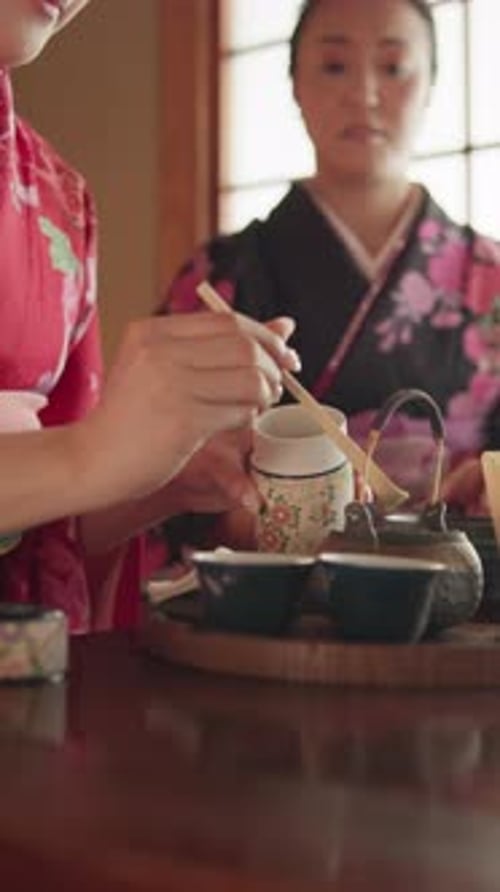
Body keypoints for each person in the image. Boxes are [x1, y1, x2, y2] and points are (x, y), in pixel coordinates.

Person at [0, 0, 301, 632]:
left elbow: (54, 518)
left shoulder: (60, 199)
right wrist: (91, 454)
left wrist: (159, 475)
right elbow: (76, 459)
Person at [164, 0, 500, 535]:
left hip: (459, 586)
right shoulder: (223, 276)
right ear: (295, 84)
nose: (364, 94)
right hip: (270, 588)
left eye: (393, 68)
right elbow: (162, 477)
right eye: (335, 66)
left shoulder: (490, 278)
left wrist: (482, 488)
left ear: (431, 84)